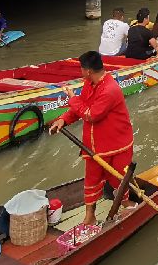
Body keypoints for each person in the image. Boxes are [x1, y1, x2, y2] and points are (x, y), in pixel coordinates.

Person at [49, 51, 134, 227]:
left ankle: (126, 204)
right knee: (92, 179)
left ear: (87, 70)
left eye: (81, 68)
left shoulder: (110, 89)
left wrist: (72, 99)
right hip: (94, 146)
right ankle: (90, 216)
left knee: (118, 177)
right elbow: (82, 104)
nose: (80, 71)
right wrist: (63, 119)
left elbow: (90, 114)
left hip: (116, 143)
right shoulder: (89, 83)